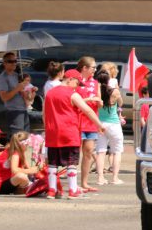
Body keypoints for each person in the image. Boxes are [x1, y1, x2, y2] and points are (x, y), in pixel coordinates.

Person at [44, 69, 105, 199]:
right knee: (71, 162)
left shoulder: (49, 93)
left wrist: (48, 128)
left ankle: (52, 190)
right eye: (77, 83)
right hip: (69, 132)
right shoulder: (73, 95)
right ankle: (72, 190)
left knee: (52, 163)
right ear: (70, 79)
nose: (78, 86)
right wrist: (99, 125)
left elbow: (44, 114)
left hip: (52, 132)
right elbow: (88, 110)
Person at [76, 56, 102, 193]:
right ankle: (73, 182)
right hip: (78, 120)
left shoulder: (96, 83)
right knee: (74, 153)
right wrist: (87, 99)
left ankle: (84, 182)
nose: (95, 70)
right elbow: (72, 99)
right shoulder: (75, 81)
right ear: (84, 68)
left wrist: (99, 101)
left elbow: (100, 99)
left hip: (91, 122)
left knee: (88, 152)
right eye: (93, 67)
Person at [95, 68, 125, 185]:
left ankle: (100, 178)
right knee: (117, 151)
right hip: (113, 123)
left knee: (100, 151)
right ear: (108, 80)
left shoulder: (96, 92)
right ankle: (115, 178)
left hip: (100, 123)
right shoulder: (115, 92)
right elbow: (121, 103)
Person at [0, 131, 42, 195]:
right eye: (28, 144)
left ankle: (25, 188)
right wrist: (30, 170)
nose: (28, 146)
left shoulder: (19, 152)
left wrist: (37, 170)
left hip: (8, 182)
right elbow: (15, 170)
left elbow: (26, 167)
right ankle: (31, 188)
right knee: (21, 176)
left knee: (24, 176)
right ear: (23, 144)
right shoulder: (15, 153)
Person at [0, 52, 30, 138]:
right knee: (17, 137)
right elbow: (4, 97)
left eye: (15, 61)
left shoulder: (16, 75)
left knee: (25, 137)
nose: (14, 63)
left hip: (23, 109)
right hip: (14, 111)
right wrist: (18, 88)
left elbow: (21, 91)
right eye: (10, 61)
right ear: (4, 63)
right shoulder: (2, 78)